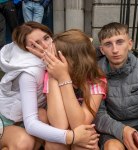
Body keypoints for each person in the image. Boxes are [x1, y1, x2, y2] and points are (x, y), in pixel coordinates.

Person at [0, 22, 100, 150]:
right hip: (7, 122)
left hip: (32, 119)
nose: (45, 46)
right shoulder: (29, 73)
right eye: (35, 44)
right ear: (27, 50)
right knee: (23, 142)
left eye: (46, 38)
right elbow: (34, 123)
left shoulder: (58, 62)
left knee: (42, 115)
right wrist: (71, 136)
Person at [27, 29, 107, 150]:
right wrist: (55, 76)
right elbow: (60, 125)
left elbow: (80, 124)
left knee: (85, 145)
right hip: (62, 133)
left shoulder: (96, 80)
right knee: (54, 144)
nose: (51, 59)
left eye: (55, 55)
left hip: (82, 130)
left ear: (74, 60)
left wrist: (64, 79)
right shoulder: (52, 73)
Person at [95, 22, 138, 150]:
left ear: (130, 44)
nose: (115, 50)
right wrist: (121, 130)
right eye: (108, 44)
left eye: (120, 42)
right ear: (102, 50)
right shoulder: (95, 73)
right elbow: (97, 114)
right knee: (113, 148)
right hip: (110, 125)